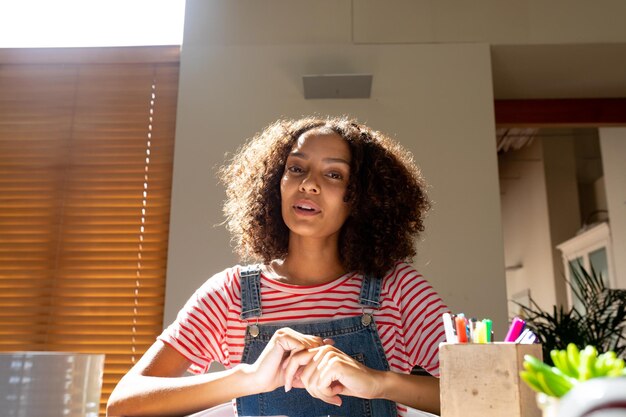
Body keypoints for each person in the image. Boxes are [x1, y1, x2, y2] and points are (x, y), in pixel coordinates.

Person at [107, 116, 448, 417]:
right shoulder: (229, 293)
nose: (308, 183)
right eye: (296, 168)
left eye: (333, 174)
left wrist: (379, 382)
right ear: (276, 184)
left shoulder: (398, 289)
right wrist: (248, 378)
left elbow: (488, 392)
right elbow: (124, 404)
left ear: (361, 196)